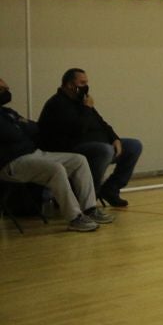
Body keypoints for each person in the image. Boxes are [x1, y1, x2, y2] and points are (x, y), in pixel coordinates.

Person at [1, 77, 114, 232]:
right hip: (11, 163)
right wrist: (20, 127)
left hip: (34, 153)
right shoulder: (13, 117)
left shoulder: (7, 113)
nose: (7, 92)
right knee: (55, 168)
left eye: (7, 89)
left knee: (78, 160)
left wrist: (20, 128)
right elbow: (12, 134)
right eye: (2, 90)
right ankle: (74, 218)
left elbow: (34, 128)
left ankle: (90, 208)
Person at [37, 68, 144, 207]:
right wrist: (87, 108)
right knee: (105, 150)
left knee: (133, 146)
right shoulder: (57, 104)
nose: (86, 86)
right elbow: (77, 130)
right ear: (70, 85)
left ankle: (111, 189)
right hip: (73, 148)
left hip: (98, 143)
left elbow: (102, 122)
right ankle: (88, 195)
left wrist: (115, 138)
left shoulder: (81, 100)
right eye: (82, 83)